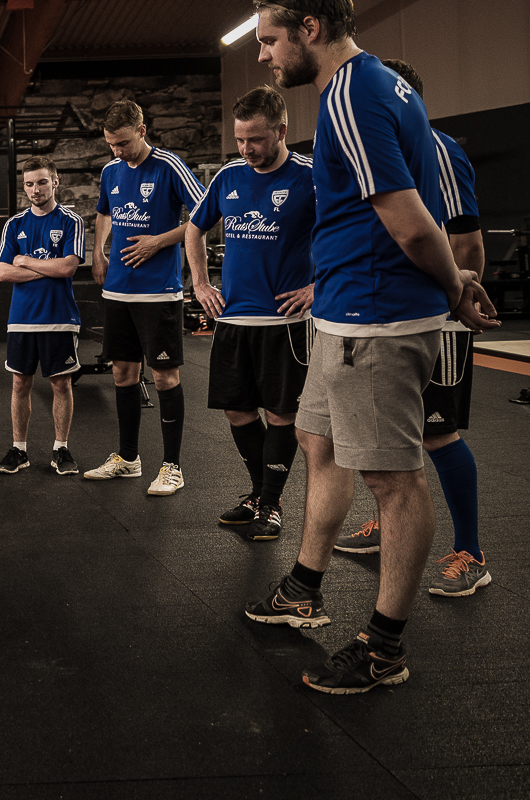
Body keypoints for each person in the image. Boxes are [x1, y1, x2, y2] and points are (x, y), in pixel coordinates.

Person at [244, 0, 497, 695]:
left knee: (394, 480)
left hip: (377, 320)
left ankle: (384, 645)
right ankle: (303, 587)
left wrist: (452, 285)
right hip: (345, 313)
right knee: (316, 440)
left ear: (311, 29)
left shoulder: (352, 93)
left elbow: (412, 223)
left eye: (270, 40)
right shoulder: (379, 84)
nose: (265, 55)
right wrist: (457, 276)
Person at [333, 58, 492, 599]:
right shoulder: (372, 142)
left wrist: (455, 303)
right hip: (388, 313)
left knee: (437, 431)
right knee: (390, 436)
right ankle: (386, 525)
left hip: (437, 313)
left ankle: (470, 552)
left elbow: (468, 243)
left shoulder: (442, 150)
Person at [186, 85, 316, 540]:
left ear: (281, 130)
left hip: (286, 323)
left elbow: (351, 235)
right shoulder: (228, 176)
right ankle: (262, 494)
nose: (247, 149)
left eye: (256, 140)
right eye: (240, 140)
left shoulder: (309, 176)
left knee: (282, 414)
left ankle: (271, 503)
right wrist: (201, 283)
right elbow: (193, 229)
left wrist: (318, 288)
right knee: (237, 412)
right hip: (234, 319)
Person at [84, 100, 205, 495]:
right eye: (111, 144)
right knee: (123, 373)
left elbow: (206, 212)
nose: (117, 151)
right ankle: (128, 458)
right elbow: (104, 211)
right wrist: (98, 249)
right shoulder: (111, 170)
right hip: (118, 290)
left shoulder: (169, 165)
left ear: (142, 129)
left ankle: (172, 466)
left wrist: (159, 241)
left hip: (159, 293)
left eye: (123, 143)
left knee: (164, 376)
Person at [0, 156, 85, 476]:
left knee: (61, 384)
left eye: (42, 182)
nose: (35, 189)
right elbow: (4, 273)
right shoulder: (14, 224)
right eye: (29, 184)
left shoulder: (71, 220)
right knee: (20, 383)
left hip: (59, 317)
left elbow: (69, 267)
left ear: (55, 182)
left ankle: (61, 448)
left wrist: (26, 261)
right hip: (21, 319)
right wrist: (48, 269)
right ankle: (20, 450)